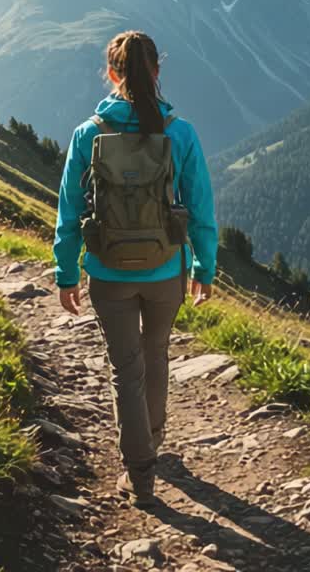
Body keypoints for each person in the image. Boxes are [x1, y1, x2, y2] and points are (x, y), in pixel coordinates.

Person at [52, 30, 218, 507]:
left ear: (111, 73)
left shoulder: (89, 134)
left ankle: (139, 470)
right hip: (167, 268)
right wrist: (203, 266)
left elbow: (68, 212)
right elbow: (200, 207)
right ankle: (152, 440)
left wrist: (66, 274)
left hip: (107, 272)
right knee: (157, 355)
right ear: (156, 72)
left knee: (126, 370)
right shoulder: (179, 132)